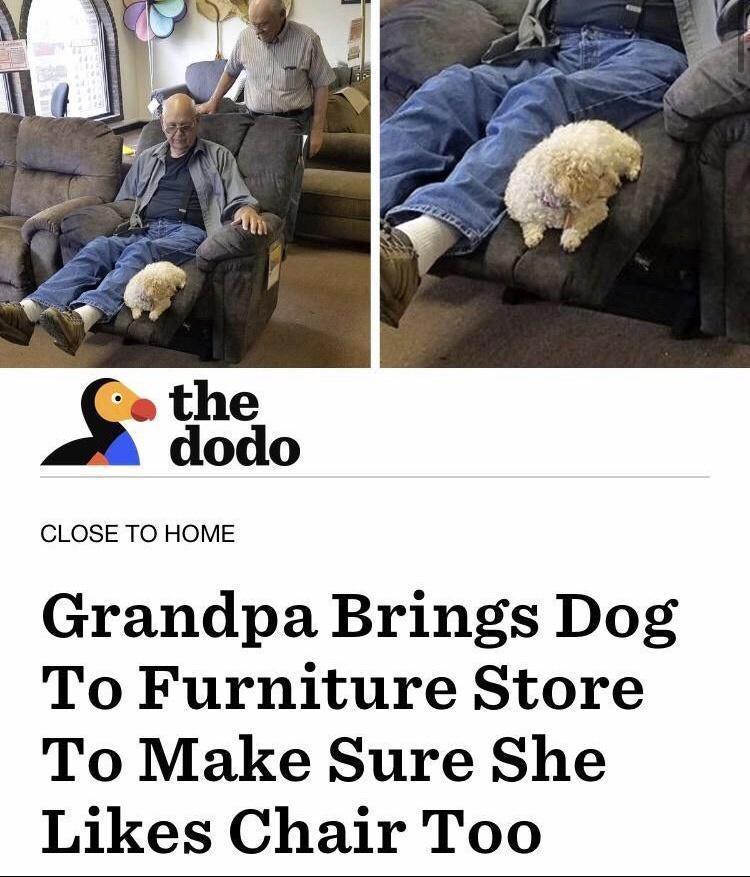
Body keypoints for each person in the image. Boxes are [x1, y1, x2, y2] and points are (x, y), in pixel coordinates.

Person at [380, 0, 741, 328]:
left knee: (541, 98)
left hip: (646, 51)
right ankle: (371, 225)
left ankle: (414, 247)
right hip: (553, 44)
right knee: (451, 88)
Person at [0, 94, 266, 357]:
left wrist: (246, 208)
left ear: (196, 122)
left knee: (140, 252)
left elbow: (240, 196)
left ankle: (83, 318)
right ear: (162, 124)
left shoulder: (218, 156)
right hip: (145, 227)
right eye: (172, 126)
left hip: (190, 232)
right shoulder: (148, 157)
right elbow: (127, 200)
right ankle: (28, 311)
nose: (179, 134)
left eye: (185, 126)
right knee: (99, 247)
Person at [197, 0, 335, 239]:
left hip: (293, 122)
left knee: (290, 184)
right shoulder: (246, 37)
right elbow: (231, 70)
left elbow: (322, 84)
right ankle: (254, 232)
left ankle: (283, 239)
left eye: (263, 26)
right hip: (256, 121)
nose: (258, 32)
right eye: (253, 25)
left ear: (282, 16)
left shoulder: (307, 39)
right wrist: (213, 101)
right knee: (253, 179)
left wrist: (317, 131)